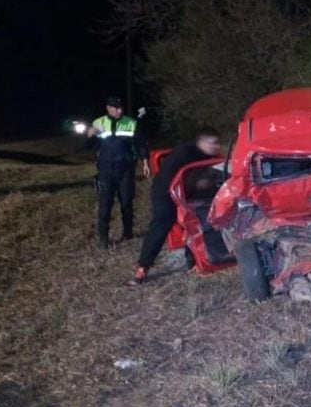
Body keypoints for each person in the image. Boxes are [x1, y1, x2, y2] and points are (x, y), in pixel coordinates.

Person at [130, 127, 221, 285]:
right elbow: (173, 176)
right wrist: (198, 183)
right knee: (161, 224)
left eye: (217, 143)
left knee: (200, 220)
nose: (216, 147)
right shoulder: (184, 152)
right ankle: (143, 266)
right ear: (202, 142)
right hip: (165, 191)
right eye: (212, 143)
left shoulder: (212, 155)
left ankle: (195, 261)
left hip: (189, 192)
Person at [86, 96, 150, 248]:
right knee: (105, 204)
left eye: (121, 107)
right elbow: (88, 144)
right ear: (108, 108)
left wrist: (145, 162)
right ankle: (103, 238)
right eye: (116, 108)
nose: (119, 110)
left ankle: (128, 233)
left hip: (126, 169)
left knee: (127, 202)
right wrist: (90, 133)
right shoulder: (98, 122)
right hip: (106, 170)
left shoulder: (131, 123)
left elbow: (141, 144)